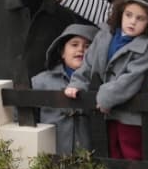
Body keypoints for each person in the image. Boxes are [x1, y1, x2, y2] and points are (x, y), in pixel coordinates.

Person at [69, 0, 148, 169]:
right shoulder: (105, 35)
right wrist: (77, 83)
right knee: (112, 155)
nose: (132, 22)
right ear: (120, 13)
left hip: (132, 114)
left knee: (132, 156)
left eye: (140, 18)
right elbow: (88, 65)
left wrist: (104, 97)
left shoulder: (146, 49)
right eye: (128, 15)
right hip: (107, 113)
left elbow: (129, 80)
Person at [30, 23, 99, 156]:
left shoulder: (101, 82)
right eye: (74, 44)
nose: (81, 50)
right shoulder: (40, 82)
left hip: (90, 159)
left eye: (87, 46)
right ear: (62, 52)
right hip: (50, 157)